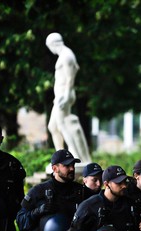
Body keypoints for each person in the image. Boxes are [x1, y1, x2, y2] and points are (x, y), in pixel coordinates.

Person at [45, 32, 91, 162]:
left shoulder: (67, 56)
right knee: (53, 126)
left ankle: (75, 155)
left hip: (64, 95)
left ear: (54, 44)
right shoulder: (64, 55)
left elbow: (70, 78)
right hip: (60, 95)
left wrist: (65, 97)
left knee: (62, 125)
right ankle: (60, 157)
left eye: (49, 46)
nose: (50, 49)